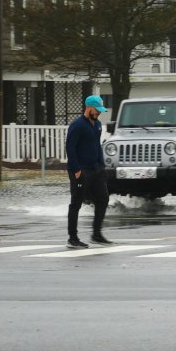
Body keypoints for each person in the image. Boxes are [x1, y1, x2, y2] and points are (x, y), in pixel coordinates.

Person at [65, 94, 112, 249]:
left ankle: (96, 234)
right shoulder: (77, 125)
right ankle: (73, 238)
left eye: (100, 110)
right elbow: (70, 148)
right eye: (97, 110)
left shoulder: (97, 125)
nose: (99, 113)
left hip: (96, 169)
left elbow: (97, 146)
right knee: (76, 204)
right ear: (89, 108)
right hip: (81, 171)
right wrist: (76, 171)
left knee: (103, 199)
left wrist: (102, 166)